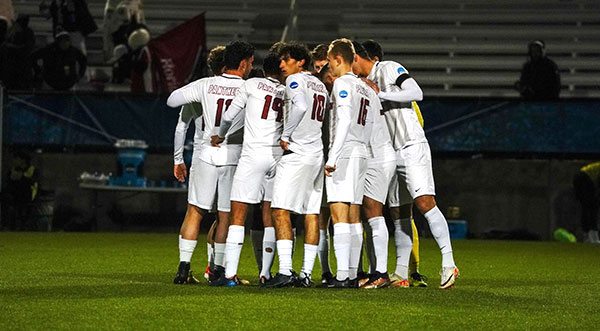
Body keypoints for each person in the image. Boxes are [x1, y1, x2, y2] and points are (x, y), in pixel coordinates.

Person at [358, 39, 459, 289]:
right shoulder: (359, 84)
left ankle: (448, 262)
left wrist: (379, 93)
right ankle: (400, 273)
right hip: (389, 153)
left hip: (411, 146)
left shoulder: (389, 68)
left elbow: (416, 92)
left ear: (367, 58)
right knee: (399, 213)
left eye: (354, 60)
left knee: (425, 203)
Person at [166, 40, 255, 285]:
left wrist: (199, 94)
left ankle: (183, 269)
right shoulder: (248, 88)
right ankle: (217, 270)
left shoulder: (206, 84)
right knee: (225, 215)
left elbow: (172, 100)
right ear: (244, 63)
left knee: (195, 211)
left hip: (205, 153)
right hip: (233, 155)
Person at [210, 53, 285, 286]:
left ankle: (229, 273)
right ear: (281, 71)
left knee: (238, 215)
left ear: (263, 70)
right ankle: (266, 273)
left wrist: (220, 135)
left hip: (253, 154)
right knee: (269, 214)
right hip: (277, 155)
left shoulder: (251, 84)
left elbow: (229, 115)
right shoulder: (287, 90)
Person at [264, 42, 328, 288]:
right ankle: (306, 274)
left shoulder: (294, 81)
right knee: (311, 214)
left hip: (297, 152)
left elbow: (300, 106)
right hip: (316, 153)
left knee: (280, 210)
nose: (281, 64)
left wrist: (286, 135)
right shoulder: (319, 84)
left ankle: (285, 271)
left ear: (300, 61)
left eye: (286, 59)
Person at [324, 38, 375, 288]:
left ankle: (343, 275)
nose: (329, 67)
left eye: (329, 61)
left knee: (339, 213)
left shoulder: (343, 83)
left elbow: (343, 120)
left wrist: (333, 156)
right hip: (362, 152)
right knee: (354, 215)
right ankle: (353, 274)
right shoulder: (366, 88)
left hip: (345, 152)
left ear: (337, 59)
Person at [348, 41, 394, 289]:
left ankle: (381, 273)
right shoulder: (365, 86)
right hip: (372, 153)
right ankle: (366, 270)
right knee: (366, 213)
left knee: (374, 213)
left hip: (377, 154)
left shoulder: (358, 85)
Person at [2, 150, 39, 231]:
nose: (14, 161)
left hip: (28, 197)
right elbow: (7, 184)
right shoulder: (12, 171)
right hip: (14, 197)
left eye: (16, 159)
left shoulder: (32, 170)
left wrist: (22, 177)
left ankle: (22, 226)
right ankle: (6, 225)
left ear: (23, 160)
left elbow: (34, 183)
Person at [573, 162, 600, 244]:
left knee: (586, 208)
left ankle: (586, 236)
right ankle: (593, 236)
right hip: (585, 178)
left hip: (579, 176)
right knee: (592, 207)